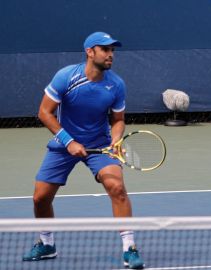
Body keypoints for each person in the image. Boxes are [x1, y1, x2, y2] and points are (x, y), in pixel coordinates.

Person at [22, 32, 145, 269]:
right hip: (63, 143)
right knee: (40, 198)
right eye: (105, 49)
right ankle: (47, 243)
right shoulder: (66, 77)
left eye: (113, 50)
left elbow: (118, 119)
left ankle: (129, 248)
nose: (110, 54)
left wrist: (116, 140)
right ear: (90, 52)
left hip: (99, 144)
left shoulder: (116, 84)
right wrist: (69, 141)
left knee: (117, 188)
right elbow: (44, 112)